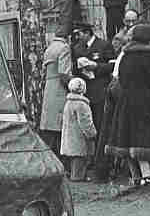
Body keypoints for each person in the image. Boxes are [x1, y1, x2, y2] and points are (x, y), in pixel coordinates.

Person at [107, 22, 150, 185]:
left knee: (126, 139)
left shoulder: (125, 55)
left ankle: (135, 176)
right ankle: (147, 177)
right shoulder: (149, 56)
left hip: (125, 102)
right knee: (142, 140)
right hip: (144, 102)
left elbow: (121, 79)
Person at [71, 22, 115, 180]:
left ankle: (101, 163)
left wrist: (96, 66)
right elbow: (74, 70)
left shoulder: (104, 45)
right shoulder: (77, 48)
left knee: (100, 125)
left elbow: (112, 66)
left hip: (100, 91)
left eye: (79, 33)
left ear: (87, 33)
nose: (77, 37)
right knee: (85, 128)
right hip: (85, 93)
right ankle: (89, 163)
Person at [39, 25, 73, 163]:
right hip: (59, 90)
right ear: (68, 37)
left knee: (50, 128)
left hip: (49, 89)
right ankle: (61, 163)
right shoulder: (64, 48)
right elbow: (64, 73)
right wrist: (75, 83)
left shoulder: (49, 48)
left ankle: (48, 161)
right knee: (60, 128)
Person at [60, 78, 97, 181]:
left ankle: (74, 176)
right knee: (79, 161)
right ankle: (78, 178)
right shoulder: (82, 104)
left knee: (73, 160)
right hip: (79, 139)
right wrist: (93, 134)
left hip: (69, 138)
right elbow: (86, 123)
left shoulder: (68, 103)